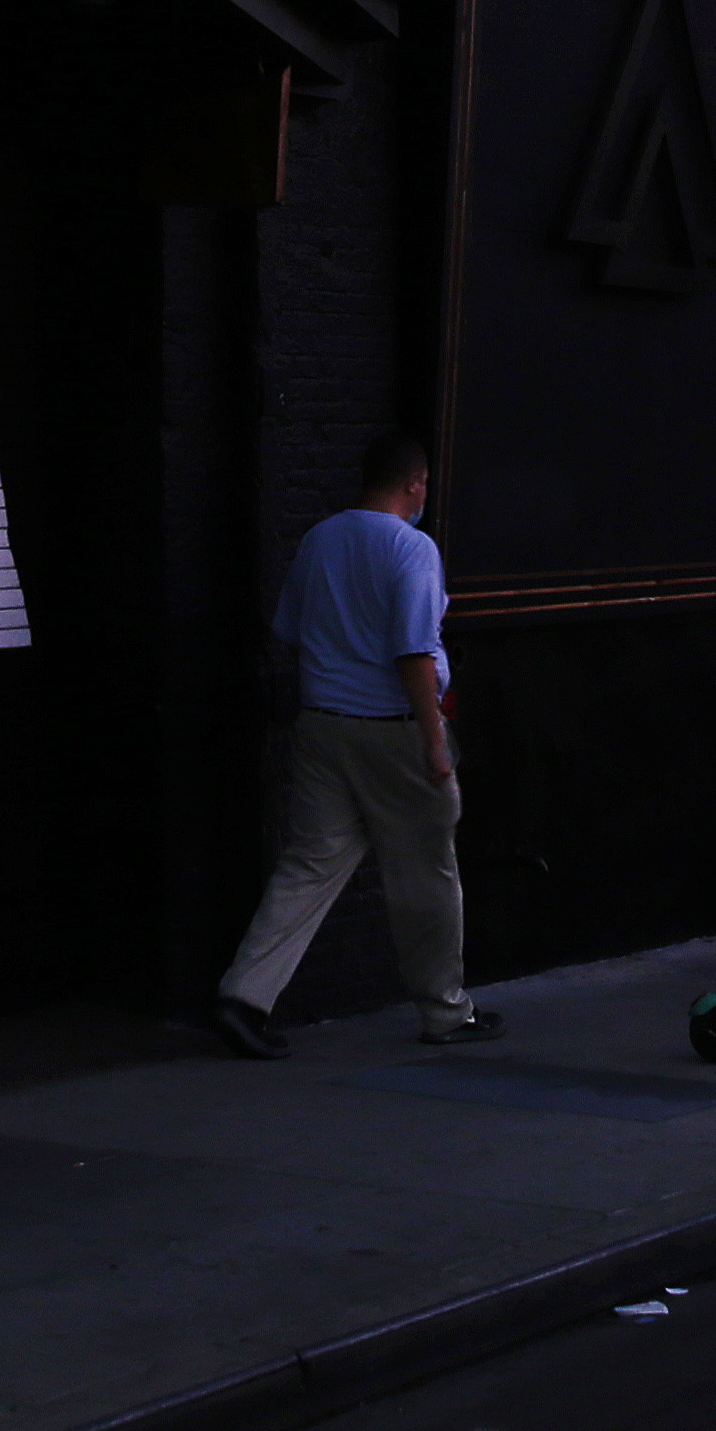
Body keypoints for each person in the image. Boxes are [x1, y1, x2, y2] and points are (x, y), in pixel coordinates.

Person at [211, 434, 498, 1058]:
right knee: (425, 872)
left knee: (310, 865)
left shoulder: (320, 539)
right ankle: (445, 1011)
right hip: (394, 730)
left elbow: (289, 627)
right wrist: (434, 744)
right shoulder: (412, 548)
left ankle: (244, 996)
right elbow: (414, 653)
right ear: (415, 483)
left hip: (322, 726)